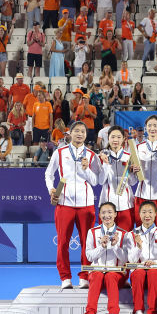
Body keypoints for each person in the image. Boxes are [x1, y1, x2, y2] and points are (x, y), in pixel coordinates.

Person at [44, 120, 101, 289]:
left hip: (86, 203)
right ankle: (65, 277)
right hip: (64, 202)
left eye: (83, 132)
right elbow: (48, 174)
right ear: (70, 133)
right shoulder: (60, 152)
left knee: (87, 242)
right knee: (62, 242)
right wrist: (51, 189)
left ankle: (84, 276)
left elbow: (95, 181)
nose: (80, 134)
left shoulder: (91, 155)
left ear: (85, 135)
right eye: (76, 131)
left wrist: (86, 169)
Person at [82, 202, 128, 314]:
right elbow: (89, 256)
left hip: (116, 273)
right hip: (97, 271)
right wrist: (102, 247)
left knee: (110, 275)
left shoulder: (123, 233)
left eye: (109, 212)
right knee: (97, 275)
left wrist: (115, 246)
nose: (106, 215)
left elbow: (125, 259)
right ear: (99, 215)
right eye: (103, 212)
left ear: (115, 214)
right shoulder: (92, 232)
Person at [127, 200, 157, 314]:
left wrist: (155, 262)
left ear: (155, 214)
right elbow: (131, 260)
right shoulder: (132, 234)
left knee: (153, 274)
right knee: (138, 274)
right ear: (139, 214)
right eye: (144, 212)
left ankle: (151, 313)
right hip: (138, 269)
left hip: (156, 270)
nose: (147, 215)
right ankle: (138, 312)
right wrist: (138, 246)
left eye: (150, 212)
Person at [97, 126, 139, 231]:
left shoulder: (129, 156)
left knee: (126, 240)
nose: (115, 140)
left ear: (124, 139)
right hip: (107, 205)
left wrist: (132, 172)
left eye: (119, 137)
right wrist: (106, 164)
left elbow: (133, 183)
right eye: (113, 137)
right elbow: (101, 181)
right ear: (108, 138)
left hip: (126, 205)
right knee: (107, 242)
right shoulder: (101, 157)